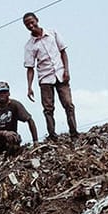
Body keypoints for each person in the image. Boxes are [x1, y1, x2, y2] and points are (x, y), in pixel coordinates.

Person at [22, 12, 79, 140]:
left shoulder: (52, 33)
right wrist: (29, 87)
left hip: (60, 74)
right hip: (45, 78)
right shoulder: (29, 46)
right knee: (48, 109)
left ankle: (74, 133)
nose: (31, 25)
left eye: (32, 22)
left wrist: (66, 70)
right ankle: (52, 135)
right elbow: (30, 68)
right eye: (27, 24)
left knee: (68, 104)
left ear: (37, 20)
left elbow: (63, 52)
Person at [0, 81, 38, 172]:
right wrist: (4, 133)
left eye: (4, 92)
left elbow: (29, 120)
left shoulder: (14, 105)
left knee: (15, 140)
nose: (2, 95)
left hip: (10, 138)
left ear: (9, 93)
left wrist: (35, 141)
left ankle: (10, 165)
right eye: (0, 93)